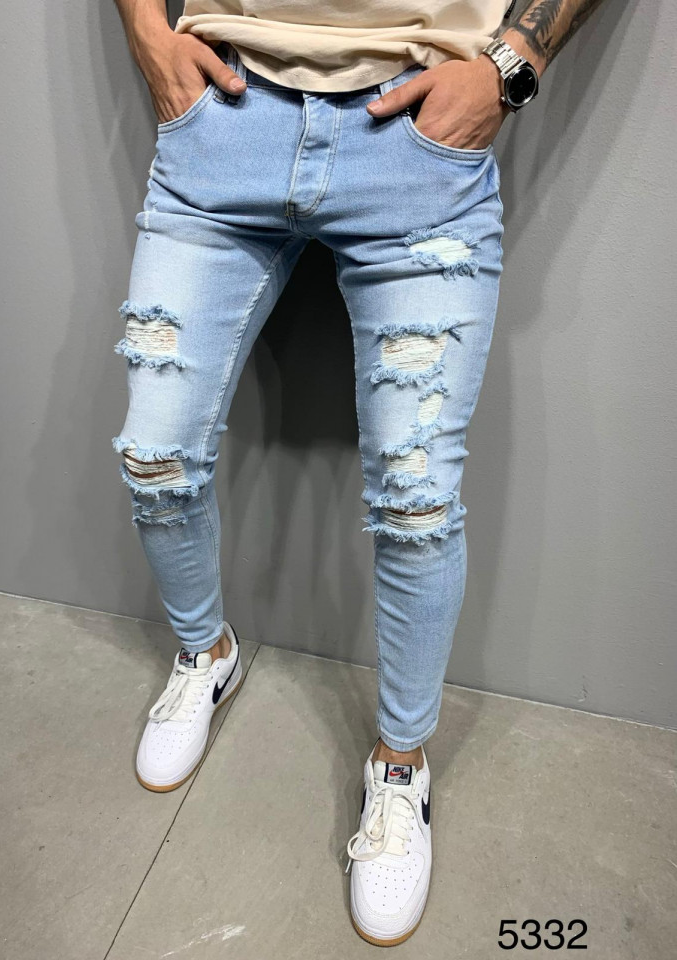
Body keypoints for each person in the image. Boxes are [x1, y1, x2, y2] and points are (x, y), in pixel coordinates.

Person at [112, 0, 606, 946]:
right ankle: (206, 657)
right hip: (224, 119)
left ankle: (401, 765)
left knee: (417, 500)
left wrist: (511, 65)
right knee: (155, 453)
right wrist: (146, 32)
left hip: (418, 140)